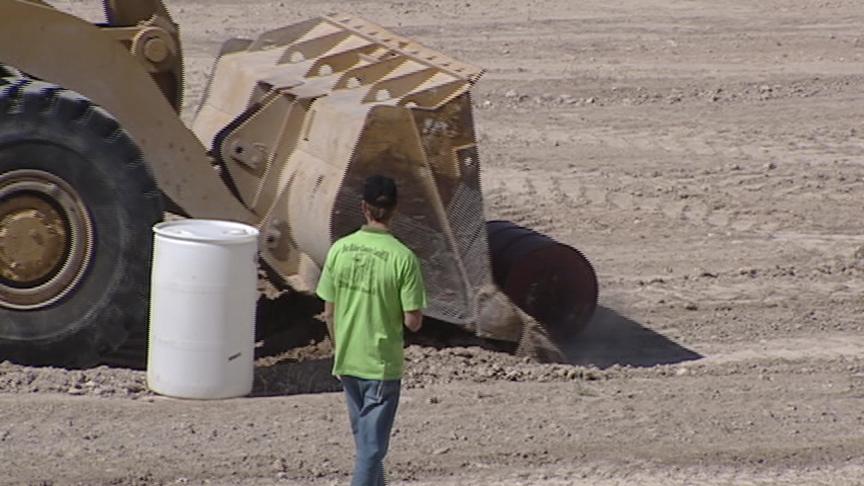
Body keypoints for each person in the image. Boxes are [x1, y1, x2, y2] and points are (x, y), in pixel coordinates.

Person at [316, 174, 427, 486]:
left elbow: (328, 311)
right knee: (372, 449)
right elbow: (412, 321)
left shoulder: (340, 249)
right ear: (394, 209)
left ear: (363, 207)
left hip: (348, 359)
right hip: (380, 365)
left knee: (367, 446)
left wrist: (338, 346)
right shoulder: (403, 258)